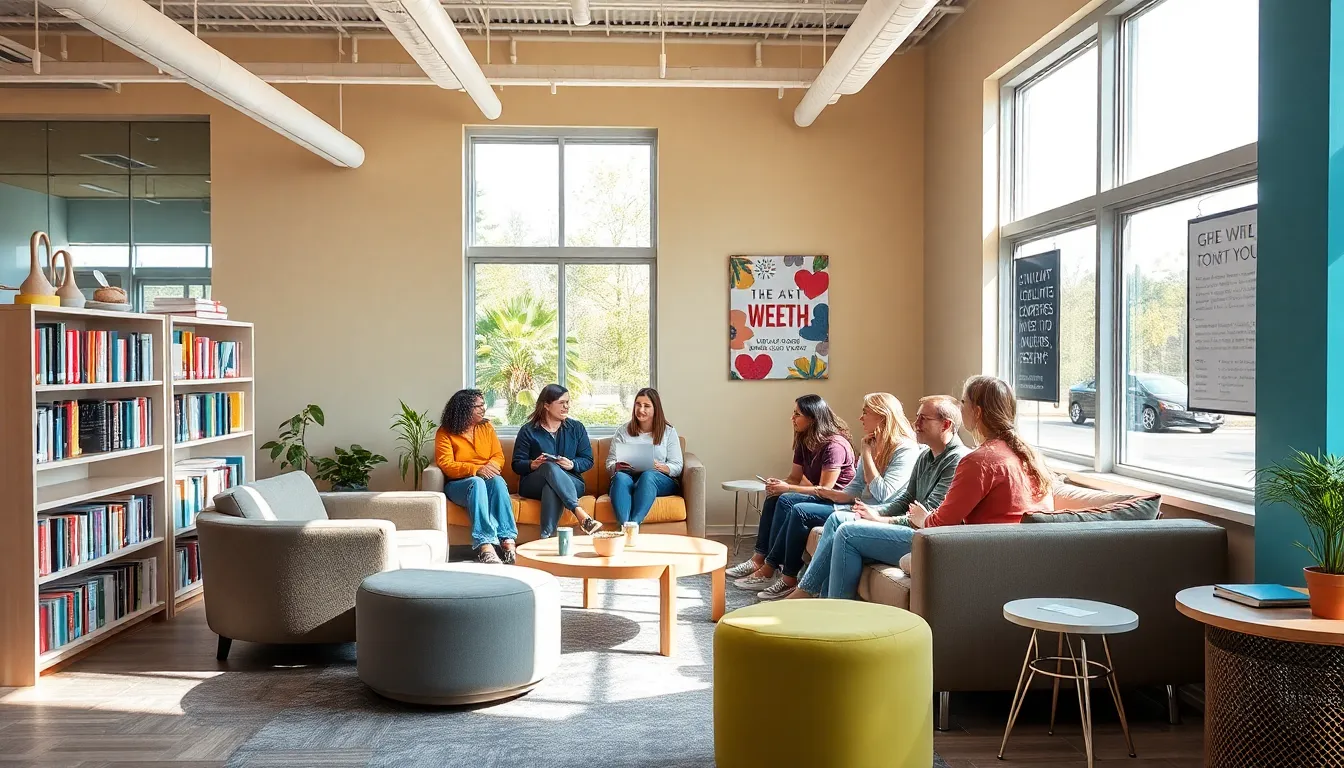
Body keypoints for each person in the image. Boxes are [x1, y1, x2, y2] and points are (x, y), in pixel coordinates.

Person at [797, 376, 1055, 600]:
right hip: (1015, 554)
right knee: (842, 524)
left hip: (975, 552)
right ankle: (815, 598)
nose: (916, 424)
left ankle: (833, 617)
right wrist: (899, 516)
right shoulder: (1029, 455)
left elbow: (939, 523)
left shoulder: (978, 460)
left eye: (963, 402)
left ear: (976, 412)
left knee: (848, 534)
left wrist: (919, 518)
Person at [787, 393, 969, 599]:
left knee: (847, 533)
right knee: (839, 519)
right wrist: (873, 512)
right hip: (906, 523)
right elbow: (905, 500)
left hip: (926, 537)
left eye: (923, 419)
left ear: (945, 425)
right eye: (917, 417)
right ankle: (821, 599)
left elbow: (927, 515)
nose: (915, 423)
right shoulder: (926, 456)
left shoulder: (957, 460)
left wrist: (880, 518)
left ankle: (814, 597)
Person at [747, 392, 922, 600]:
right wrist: (835, 495)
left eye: (865, 413)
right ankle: (779, 571)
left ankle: (793, 582)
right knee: (783, 500)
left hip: (878, 512)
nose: (860, 418)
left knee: (805, 510)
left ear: (882, 417)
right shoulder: (871, 442)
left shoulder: (904, 450)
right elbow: (856, 487)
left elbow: (884, 494)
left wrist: (866, 454)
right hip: (858, 506)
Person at [726, 394, 855, 590]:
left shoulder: (834, 446)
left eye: (797, 414)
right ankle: (758, 559)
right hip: (820, 497)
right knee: (774, 498)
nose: (792, 418)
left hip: (836, 501)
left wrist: (787, 489)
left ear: (812, 418)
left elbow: (825, 489)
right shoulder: (805, 440)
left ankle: (771, 569)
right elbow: (794, 478)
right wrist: (778, 484)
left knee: (786, 499)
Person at [435, 389, 518, 564]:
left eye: (483, 405)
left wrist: (491, 468)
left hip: (486, 479)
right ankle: (485, 544)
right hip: (460, 484)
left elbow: (498, 456)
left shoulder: (486, 427)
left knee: (498, 481)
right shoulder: (445, 432)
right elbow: (446, 464)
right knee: (477, 482)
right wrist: (476, 469)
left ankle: (507, 540)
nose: (483, 409)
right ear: (464, 409)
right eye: (478, 406)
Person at [512, 384, 603, 538]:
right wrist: (532, 464)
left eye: (568, 402)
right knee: (549, 466)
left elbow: (588, 460)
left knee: (551, 487)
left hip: (572, 481)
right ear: (546, 405)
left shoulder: (576, 428)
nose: (566, 407)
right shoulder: (528, 430)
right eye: (562, 403)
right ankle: (579, 512)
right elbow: (516, 464)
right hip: (534, 483)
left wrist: (572, 464)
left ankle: (546, 537)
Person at [606, 388, 683, 526]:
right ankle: (624, 527)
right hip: (629, 477)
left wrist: (661, 467)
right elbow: (610, 462)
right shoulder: (623, 431)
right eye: (638, 404)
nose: (641, 409)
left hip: (657, 480)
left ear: (656, 409)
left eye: (646, 406)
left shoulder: (669, 432)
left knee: (648, 475)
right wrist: (616, 466)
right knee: (620, 478)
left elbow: (677, 466)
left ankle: (633, 525)